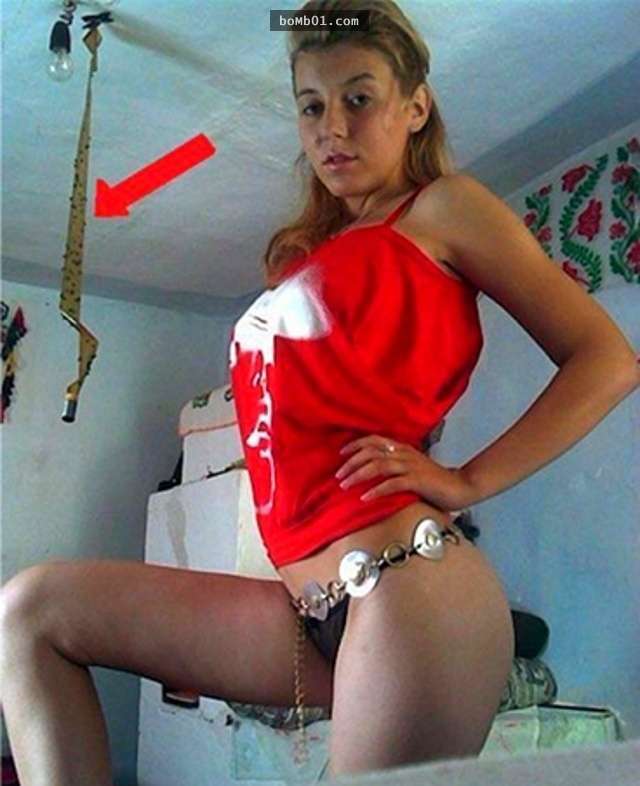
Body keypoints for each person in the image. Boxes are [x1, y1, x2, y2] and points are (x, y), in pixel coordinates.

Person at [1, 1, 638, 783]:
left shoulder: (443, 209)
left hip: (407, 583)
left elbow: (606, 359)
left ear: (415, 106)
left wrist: (468, 479)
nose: (332, 127)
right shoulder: (306, 257)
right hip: (305, 608)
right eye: (311, 106)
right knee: (33, 611)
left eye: (358, 98)